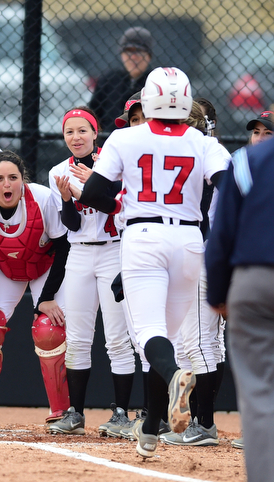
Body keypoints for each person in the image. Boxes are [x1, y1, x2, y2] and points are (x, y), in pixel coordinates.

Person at [78, 67, 229, 458]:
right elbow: (229, 188)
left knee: (149, 336)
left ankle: (172, 384)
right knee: (171, 341)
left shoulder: (126, 137)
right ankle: (149, 427)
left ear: (149, 99)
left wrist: (122, 205)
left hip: (143, 235)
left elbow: (93, 192)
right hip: (190, 238)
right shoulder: (202, 141)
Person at [0, 150, 70, 431]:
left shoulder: (41, 198)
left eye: (13, 178)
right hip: (5, 268)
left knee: (49, 329)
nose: (7, 184)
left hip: (47, 267)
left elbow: (63, 246)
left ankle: (63, 412)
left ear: (23, 179)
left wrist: (45, 299)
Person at [47, 107, 136, 437]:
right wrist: (69, 199)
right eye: (69, 131)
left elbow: (118, 205)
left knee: (116, 337)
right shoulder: (59, 170)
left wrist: (92, 189)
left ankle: (122, 413)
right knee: (78, 338)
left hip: (113, 251)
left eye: (82, 130)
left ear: (95, 133)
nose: (76, 137)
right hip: (79, 255)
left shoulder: (111, 163)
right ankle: (75, 412)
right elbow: (70, 224)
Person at [159, 100, 231, 447]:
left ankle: (205, 424)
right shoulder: (192, 159)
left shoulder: (211, 158)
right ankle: (201, 423)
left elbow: (217, 217)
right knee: (193, 345)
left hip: (207, 254)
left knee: (201, 343)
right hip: (189, 253)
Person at [206, 137, 274, 482]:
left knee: (261, 396)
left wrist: (218, 292)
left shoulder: (248, 160)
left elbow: (222, 231)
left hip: (256, 279)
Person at [89, 27, 154, 132]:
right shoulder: (108, 80)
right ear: (121, 54)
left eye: (140, 51)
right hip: (109, 142)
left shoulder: (156, 82)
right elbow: (94, 115)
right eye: (128, 51)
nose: (133, 57)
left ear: (149, 56)